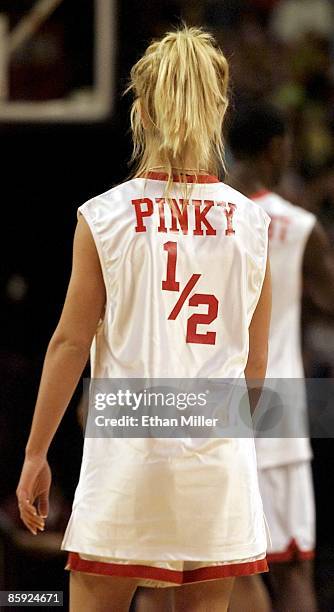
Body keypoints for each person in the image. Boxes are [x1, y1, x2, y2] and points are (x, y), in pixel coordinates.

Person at [16, 27, 272, 612]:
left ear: (143, 108)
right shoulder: (253, 225)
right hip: (216, 468)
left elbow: (68, 342)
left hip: (128, 463)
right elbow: (255, 374)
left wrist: (36, 455)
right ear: (220, 107)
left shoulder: (104, 216)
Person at [228, 102, 334, 612]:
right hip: (278, 408)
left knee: (207, 577)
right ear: (276, 149)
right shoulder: (298, 226)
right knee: (293, 572)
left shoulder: (200, 218)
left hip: (208, 408)